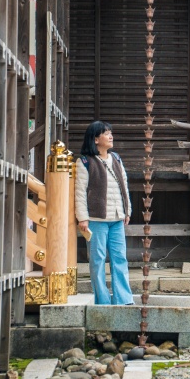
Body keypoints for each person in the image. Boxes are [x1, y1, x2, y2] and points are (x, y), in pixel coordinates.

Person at [74, 121, 134, 305]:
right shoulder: (84, 161)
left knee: (119, 258)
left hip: (117, 218)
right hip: (96, 219)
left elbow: (124, 185)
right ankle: (102, 300)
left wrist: (127, 210)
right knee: (98, 260)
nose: (110, 136)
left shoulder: (116, 158)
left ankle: (122, 298)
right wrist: (82, 218)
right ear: (96, 139)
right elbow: (80, 192)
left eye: (110, 132)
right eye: (106, 133)